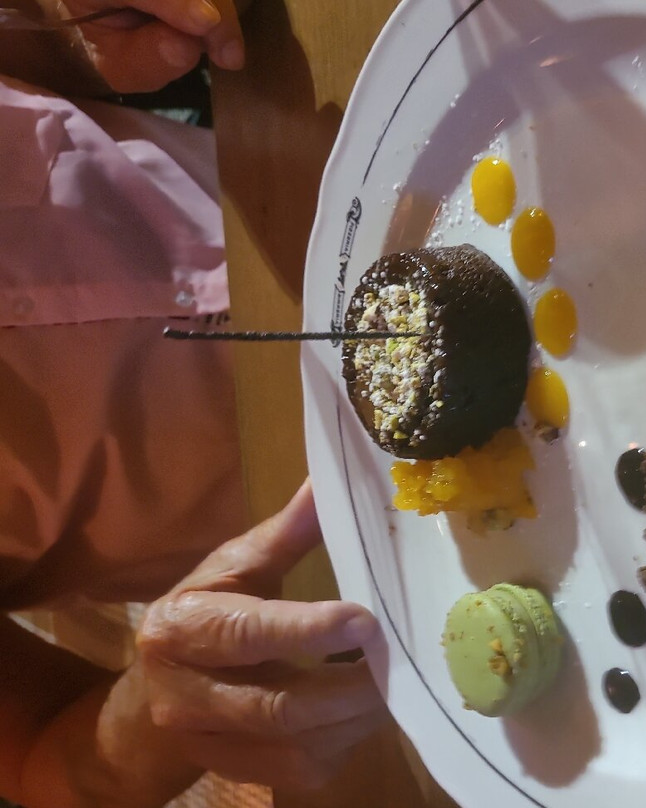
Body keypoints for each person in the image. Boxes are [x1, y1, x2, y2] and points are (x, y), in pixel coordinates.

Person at [0, 2, 386, 806]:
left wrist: (79, 28)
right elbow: (42, 763)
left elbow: (40, 46)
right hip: (362, 542)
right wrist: (146, 725)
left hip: (344, 182)